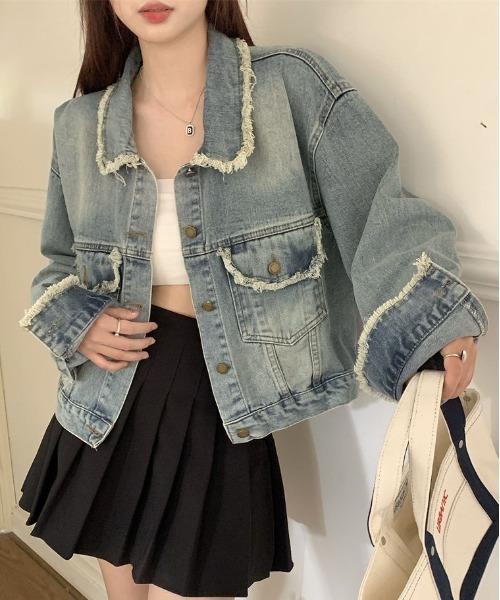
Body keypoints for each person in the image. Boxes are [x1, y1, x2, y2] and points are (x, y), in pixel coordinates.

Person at [17, 1, 488, 599]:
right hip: (107, 402)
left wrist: (432, 324)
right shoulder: (80, 124)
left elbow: (377, 206)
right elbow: (58, 263)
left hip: (218, 397)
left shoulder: (288, 87)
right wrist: (77, 323)